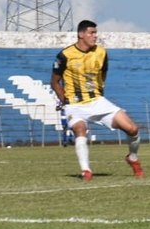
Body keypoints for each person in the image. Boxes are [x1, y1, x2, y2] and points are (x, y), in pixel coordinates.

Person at [50, 20, 144, 181]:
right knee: (80, 130)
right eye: (91, 33)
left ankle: (132, 158)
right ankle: (86, 171)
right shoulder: (65, 55)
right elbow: (54, 81)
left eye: (95, 33)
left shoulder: (101, 52)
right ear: (81, 34)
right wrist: (62, 98)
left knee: (132, 129)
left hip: (97, 101)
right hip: (75, 105)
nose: (95, 36)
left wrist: (99, 91)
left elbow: (103, 74)